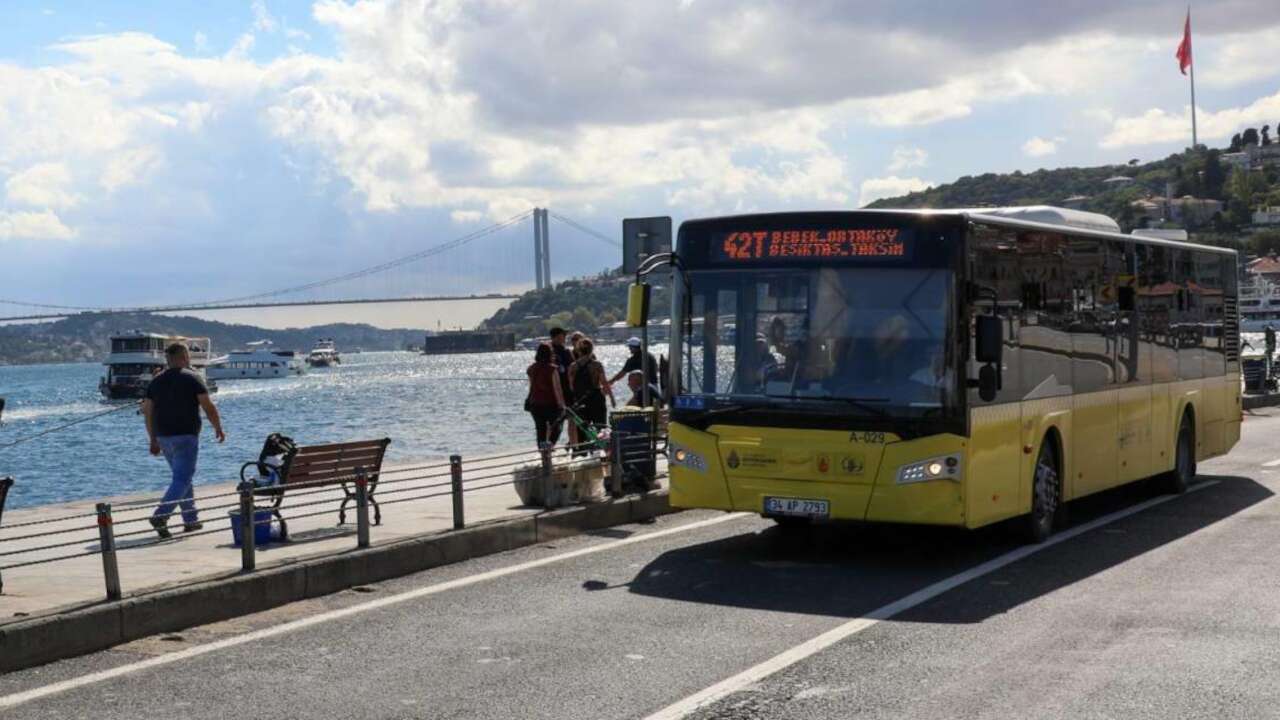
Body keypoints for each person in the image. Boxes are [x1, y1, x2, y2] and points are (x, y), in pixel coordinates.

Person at [142, 342, 225, 539]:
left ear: (167, 360)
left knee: (182, 478)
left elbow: (148, 412)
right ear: (184, 357)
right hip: (186, 436)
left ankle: (191, 520)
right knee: (182, 478)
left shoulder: (156, 381)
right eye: (187, 356)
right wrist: (218, 428)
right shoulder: (192, 377)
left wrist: (152, 439)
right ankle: (161, 515)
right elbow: (208, 406)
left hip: (163, 437)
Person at [569, 338, 614, 437]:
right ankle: (600, 448)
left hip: (580, 399)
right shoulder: (597, 365)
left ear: (578, 350)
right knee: (601, 427)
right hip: (596, 398)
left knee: (583, 429)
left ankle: (584, 450)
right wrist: (612, 398)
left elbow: (571, 386)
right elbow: (604, 383)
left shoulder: (573, 366)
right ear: (591, 350)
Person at [526, 343, 566, 448]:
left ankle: (543, 454)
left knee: (540, 430)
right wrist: (562, 405)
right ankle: (550, 446)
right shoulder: (552, 369)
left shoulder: (531, 369)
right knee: (558, 427)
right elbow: (557, 389)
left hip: (535, 404)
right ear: (549, 354)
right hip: (550, 404)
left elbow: (531, 387)